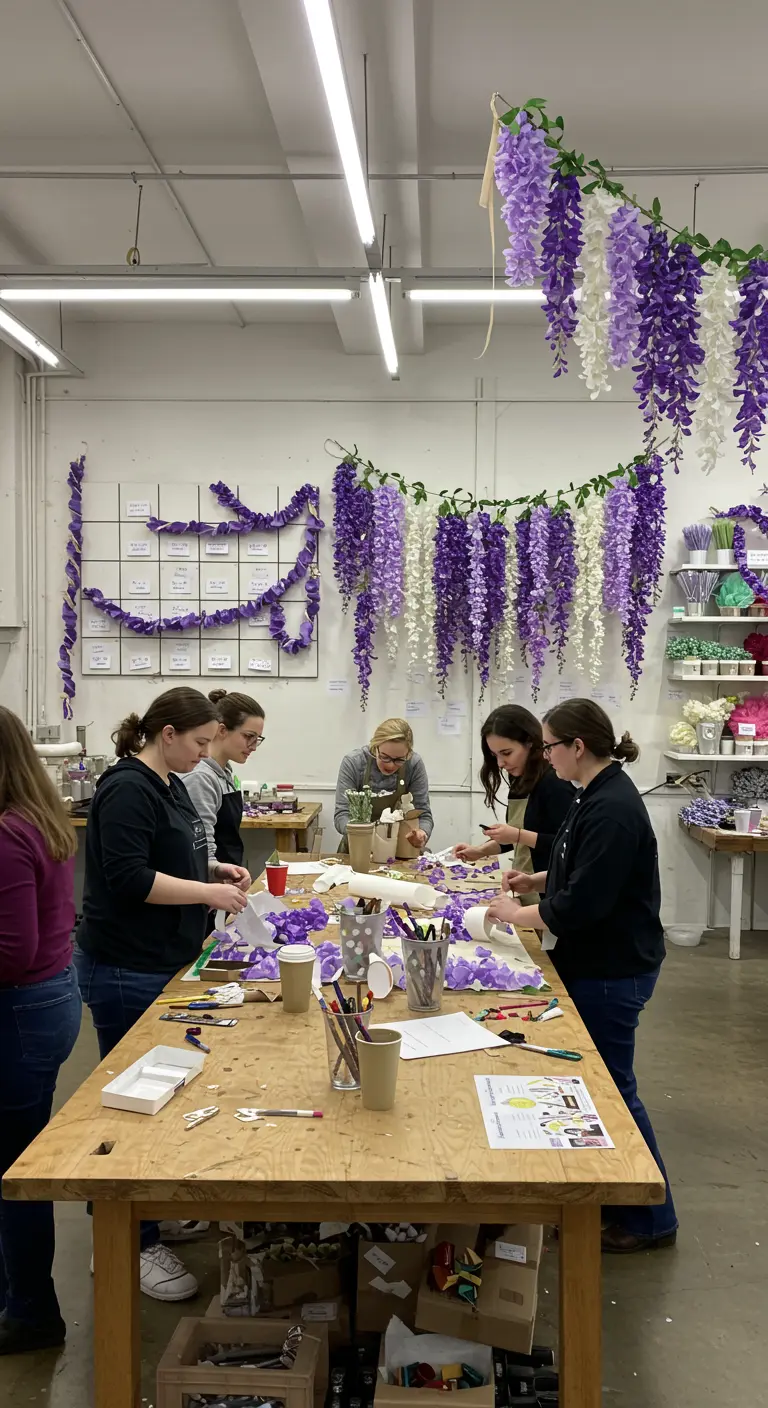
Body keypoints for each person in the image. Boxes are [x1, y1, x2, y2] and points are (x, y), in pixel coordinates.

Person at [75, 687, 249, 1302]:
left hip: (163, 960)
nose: (206, 754)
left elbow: (167, 859)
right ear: (166, 733)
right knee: (129, 1101)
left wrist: (212, 873)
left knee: (166, 1090)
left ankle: (149, 1210)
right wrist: (206, 896)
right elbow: (129, 879)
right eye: (200, 742)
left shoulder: (171, 783)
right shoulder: (128, 787)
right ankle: (125, 1240)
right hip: (126, 964)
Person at [487, 698, 678, 1253]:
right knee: (596, 1088)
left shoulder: (614, 806)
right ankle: (600, 1201)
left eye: (549, 745)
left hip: (614, 967)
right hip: (594, 960)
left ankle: (651, 1220)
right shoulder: (592, 796)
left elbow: (589, 900)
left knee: (614, 1090)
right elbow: (575, 864)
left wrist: (517, 915)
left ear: (577, 746)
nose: (545, 754)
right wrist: (536, 882)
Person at [0, 707, 81, 1354]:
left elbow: (12, 951)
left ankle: (29, 1310)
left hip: (22, 1008)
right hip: (49, 998)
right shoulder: (37, 817)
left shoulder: (6, 833)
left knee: (15, 1172)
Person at [454, 704, 575, 896]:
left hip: (549, 893)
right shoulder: (520, 779)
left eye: (506, 753)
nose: (501, 764)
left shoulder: (554, 783)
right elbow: (518, 838)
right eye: (495, 756)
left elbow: (568, 845)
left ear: (529, 742)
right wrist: (480, 851)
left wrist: (517, 834)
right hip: (524, 888)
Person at [181, 689, 264, 871]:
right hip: (210, 883)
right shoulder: (201, 777)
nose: (253, 746)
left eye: (258, 739)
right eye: (249, 736)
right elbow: (202, 851)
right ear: (222, 730)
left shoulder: (224, 773)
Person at [334, 718, 433, 850]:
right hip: (358, 845)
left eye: (399, 760)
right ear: (375, 747)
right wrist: (361, 832)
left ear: (408, 754)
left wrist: (422, 833)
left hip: (398, 847)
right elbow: (342, 815)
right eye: (385, 757)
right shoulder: (354, 763)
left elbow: (424, 814)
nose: (390, 765)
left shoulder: (413, 764)